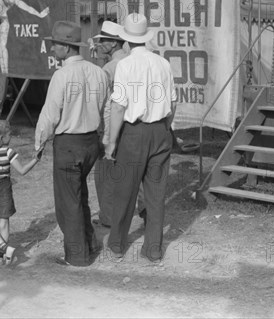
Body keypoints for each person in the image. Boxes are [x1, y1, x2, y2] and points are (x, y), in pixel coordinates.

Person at [104, 13, 177, 263]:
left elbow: (118, 107)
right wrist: (165, 126)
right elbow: (173, 102)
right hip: (160, 130)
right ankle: (154, 249)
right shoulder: (163, 63)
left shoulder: (125, 65)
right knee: (156, 194)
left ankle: (117, 244)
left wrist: (112, 142)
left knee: (125, 189)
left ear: (125, 41)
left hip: (134, 133)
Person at [35, 20, 108, 267]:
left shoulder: (61, 75)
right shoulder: (99, 72)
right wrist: (105, 139)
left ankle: (77, 256)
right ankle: (91, 243)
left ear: (66, 47)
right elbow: (107, 110)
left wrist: (39, 143)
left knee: (69, 202)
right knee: (80, 194)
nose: (53, 49)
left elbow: (50, 114)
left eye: (55, 45)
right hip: (91, 142)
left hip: (69, 144)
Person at [0, 120, 40, 265]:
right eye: (9, 134)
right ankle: (3, 252)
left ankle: (2, 252)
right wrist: (35, 160)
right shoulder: (8, 152)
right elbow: (22, 171)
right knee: (4, 223)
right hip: (4, 190)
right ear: (1, 138)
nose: (11, 137)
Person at [91, 21, 128, 228]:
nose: (100, 44)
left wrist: (103, 132)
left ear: (113, 43)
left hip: (110, 122)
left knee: (105, 173)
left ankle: (108, 216)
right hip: (129, 122)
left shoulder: (110, 67)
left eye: (103, 41)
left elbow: (101, 96)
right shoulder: (129, 61)